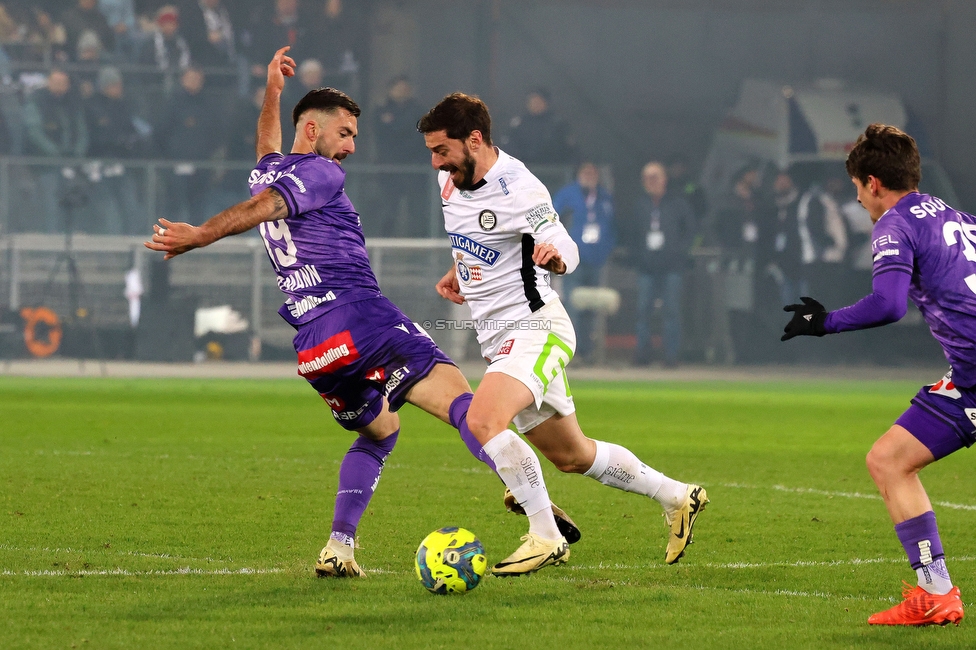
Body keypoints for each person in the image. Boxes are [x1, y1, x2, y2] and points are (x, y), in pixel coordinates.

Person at [145, 47, 579, 579]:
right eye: (345, 133)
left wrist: (274, 91)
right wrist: (202, 235)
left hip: (314, 346)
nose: (350, 146)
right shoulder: (322, 175)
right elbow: (268, 207)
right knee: (470, 408)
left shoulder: (268, 170)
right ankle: (536, 511)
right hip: (362, 318)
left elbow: (265, 148)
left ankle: (339, 545)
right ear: (312, 133)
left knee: (380, 432)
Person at [418, 92, 708, 575]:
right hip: (501, 339)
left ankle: (545, 536)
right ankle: (677, 496)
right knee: (573, 456)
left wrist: (558, 260)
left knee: (482, 421)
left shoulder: (520, 187)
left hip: (536, 327)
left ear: (474, 140)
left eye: (442, 151)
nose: (435, 163)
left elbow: (562, 242)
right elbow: (478, 238)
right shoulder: (450, 183)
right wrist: (460, 269)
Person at [781, 123, 970, 627]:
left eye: (857, 190)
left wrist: (821, 322)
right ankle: (935, 593)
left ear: (873, 183)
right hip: (968, 377)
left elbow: (888, 306)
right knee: (889, 459)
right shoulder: (954, 215)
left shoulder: (894, 223)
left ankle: (936, 592)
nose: (861, 201)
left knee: (889, 462)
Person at [629, 161, 696, 367]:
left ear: (664, 179)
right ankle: (643, 354)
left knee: (671, 312)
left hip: (672, 267)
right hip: (646, 267)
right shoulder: (639, 204)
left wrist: (679, 252)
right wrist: (638, 256)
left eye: (655, 177)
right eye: (647, 178)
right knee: (643, 312)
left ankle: (671, 355)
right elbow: (631, 233)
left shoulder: (678, 203)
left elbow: (690, 229)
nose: (651, 182)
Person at [552, 161, 616, 364]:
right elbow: (551, 220)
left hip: (595, 261)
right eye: (585, 171)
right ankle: (571, 351)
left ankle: (588, 351)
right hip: (572, 262)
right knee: (572, 305)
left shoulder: (604, 197)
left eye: (592, 172)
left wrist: (606, 251)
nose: (589, 175)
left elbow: (612, 227)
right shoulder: (567, 195)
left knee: (591, 307)